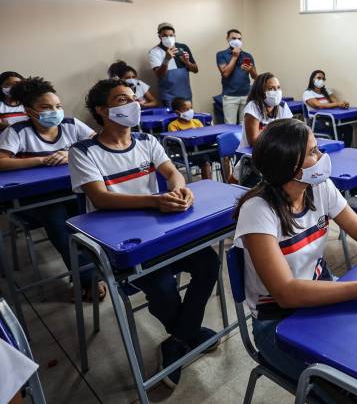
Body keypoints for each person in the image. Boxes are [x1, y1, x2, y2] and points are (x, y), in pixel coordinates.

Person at [233, 118, 357, 400]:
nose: (322, 158)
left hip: (322, 300)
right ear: (290, 165)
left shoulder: (319, 188)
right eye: (314, 152)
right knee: (348, 391)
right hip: (278, 324)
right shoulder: (257, 211)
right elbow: (287, 293)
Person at [69, 79, 219, 388]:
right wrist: (155, 201)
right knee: (162, 285)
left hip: (158, 232)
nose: (133, 103)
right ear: (102, 110)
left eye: (132, 97)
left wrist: (180, 188)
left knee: (208, 263)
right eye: (122, 99)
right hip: (119, 243)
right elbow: (100, 198)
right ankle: (188, 333)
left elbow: (171, 172)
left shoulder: (146, 141)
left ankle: (177, 339)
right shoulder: (83, 151)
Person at [0, 77, 104, 301]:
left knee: (87, 216)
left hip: (70, 190)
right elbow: (1, 161)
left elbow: (97, 144)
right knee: (59, 221)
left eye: (57, 106)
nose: (54, 111)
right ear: (30, 111)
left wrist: (70, 154)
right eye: (46, 107)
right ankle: (89, 279)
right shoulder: (17, 132)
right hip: (35, 199)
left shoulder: (71, 125)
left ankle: (94, 270)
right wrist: (40, 160)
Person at [235, 73, 293, 186]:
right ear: (261, 91)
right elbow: (254, 141)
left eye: (278, 88)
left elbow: (291, 133)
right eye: (271, 88)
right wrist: (279, 136)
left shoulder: (282, 106)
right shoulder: (253, 107)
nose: (276, 91)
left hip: (275, 153)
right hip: (250, 158)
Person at [149, 22, 198, 106]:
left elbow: (195, 70)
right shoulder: (154, 52)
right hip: (169, 98)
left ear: (174, 35)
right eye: (165, 35)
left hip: (186, 95)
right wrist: (166, 59)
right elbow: (159, 75)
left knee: (187, 118)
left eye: (171, 35)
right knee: (172, 119)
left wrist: (188, 63)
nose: (168, 37)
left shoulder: (183, 47)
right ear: (159, 36)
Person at [216, 29, 257, 124]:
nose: (237, 41)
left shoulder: (247, 55)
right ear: (227, 39)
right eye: (234, 38)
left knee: (245, 126)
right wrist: (235, 57)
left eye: (239, 39)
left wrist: (251, 70)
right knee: (230, 126)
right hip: (230, 96)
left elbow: (256, 77)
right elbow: (225, 73)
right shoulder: (221, 54)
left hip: (246, 95)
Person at [166, 97, 214, 180]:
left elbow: (205, 135)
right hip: (188, 151)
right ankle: (209, 185)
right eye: (186, 109)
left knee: (222, 154)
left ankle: (227, 182)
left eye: (191, 108)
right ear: (178, 112)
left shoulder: (197, 122)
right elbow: (177, 142)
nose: (190, 111)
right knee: (205, 161)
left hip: (201, 147)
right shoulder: (173, 125)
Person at [302, 70, 353, 147]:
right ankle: (338, 150)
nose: (321, 80)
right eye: (318, 78)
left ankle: (346, 148)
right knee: (336, 130)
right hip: (317, 121)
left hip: (329, 119)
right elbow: (319, 105)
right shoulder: (308, 93)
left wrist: (342, 104)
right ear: (312, 79)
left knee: (348, 128)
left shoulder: (326, 91)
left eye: (323, 79)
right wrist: (338, 103)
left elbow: (335, 102)